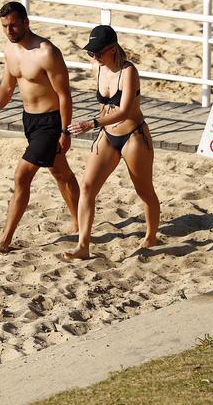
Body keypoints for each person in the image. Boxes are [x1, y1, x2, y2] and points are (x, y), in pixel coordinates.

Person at [0, 1, 80, 254]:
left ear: (26, 22)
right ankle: (80, 220)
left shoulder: (47, 52)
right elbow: (7, 87)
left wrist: (65, 131)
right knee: (61, 173)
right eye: (4, 26)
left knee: (21, 176)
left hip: (51, 122)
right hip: (30, 121)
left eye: (13, 24)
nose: (9, 30)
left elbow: (64, 94)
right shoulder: (10, 51)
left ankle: (6, 238)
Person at [63, 25, 160, 260]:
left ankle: (151, 234)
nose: (94, 57)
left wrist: (91, 124)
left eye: (98, 52)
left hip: (133, 135)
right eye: (91, 53)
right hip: (107, 134)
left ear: (112, 48)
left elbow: (125, 110)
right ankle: (83, 246)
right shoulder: (97, 66)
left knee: (144, 190)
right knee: (87, 186)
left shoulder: (128, 72)